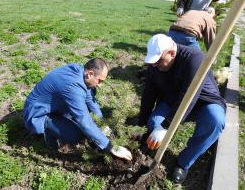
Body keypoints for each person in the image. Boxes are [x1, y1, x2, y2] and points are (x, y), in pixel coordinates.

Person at [139, 34, 226, 184]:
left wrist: (166, 126)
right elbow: (148, 95)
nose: (154, 65)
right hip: (173, 101)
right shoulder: (155, 67)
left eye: (158, 60)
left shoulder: (194, 58)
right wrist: (141, 125)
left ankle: (183, 163)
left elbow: (189, 97)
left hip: (203, 102)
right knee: (153, 123)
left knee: (215, 121)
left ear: (172, 53)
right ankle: (159, 138)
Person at [24, 58, 132, 161]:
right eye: (99, 81)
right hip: (38, 112)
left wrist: (102, 124)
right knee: (75, 135)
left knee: (89, 103)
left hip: (56, 106)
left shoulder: (81, 72)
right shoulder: (73, 86)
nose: (100, 85)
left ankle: (58, 122)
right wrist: (110, 146)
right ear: (90, 74)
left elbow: (90, 100)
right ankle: (48, 131)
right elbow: (85, 121)